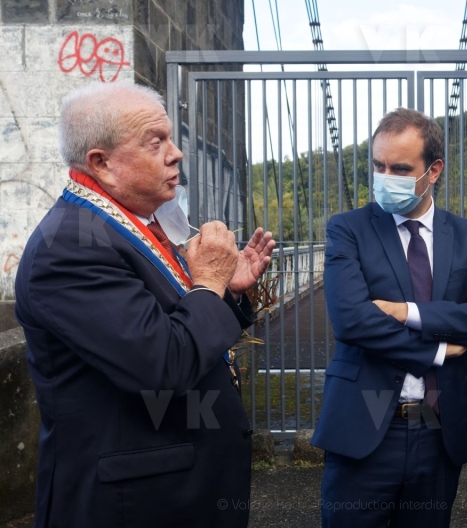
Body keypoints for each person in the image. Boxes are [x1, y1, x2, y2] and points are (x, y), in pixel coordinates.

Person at [14, 82, 275, 528]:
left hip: (170, 487)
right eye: (156, 142)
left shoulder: (124, 223)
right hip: (133, 504)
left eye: (171, 140)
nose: (176, 154)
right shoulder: (71, 248)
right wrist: (208, 283)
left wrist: (226, 292)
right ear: (102, 163)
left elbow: (171, 319)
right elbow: (162, 365)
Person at [311, 108, 467, 527]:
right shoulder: (348, 229)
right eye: (378, 165)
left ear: (433, 170)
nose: (386, 177)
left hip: (440, 432)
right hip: (363, 427)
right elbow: (352, 320)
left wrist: (407, 312)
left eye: (400, 168)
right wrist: (440, 346)